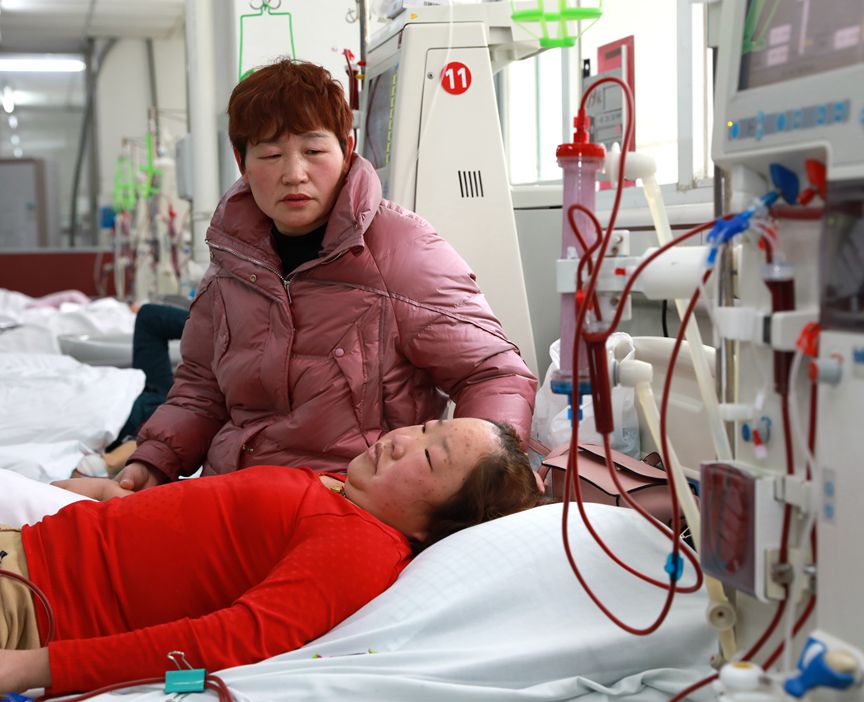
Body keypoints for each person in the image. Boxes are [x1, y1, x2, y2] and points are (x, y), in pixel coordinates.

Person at [84, 58, 536, 495]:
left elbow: (493, 374)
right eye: (270, 154)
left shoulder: (401, 251)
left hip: (351, 503)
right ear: (242, 163)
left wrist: (478, 486)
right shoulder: (231, 264)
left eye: (314, 151)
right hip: (233, 500)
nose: (294, 174)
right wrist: (154, 460)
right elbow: (201, 390)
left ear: (347, 149)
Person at [0, 418, 540, 696]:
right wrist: (108, 500)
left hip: (30, 603)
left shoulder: (361, 547)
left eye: (429, 456)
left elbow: (229, 643)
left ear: (437, 525)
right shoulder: (343, 492)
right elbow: (203, 534)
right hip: (28, 548)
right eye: (424, 427)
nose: (401, 439)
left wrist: (31, 668)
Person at [73, 302, 189, 478]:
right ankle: (226, 330)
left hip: (142, 396)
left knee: (148, 316)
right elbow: (90, 470)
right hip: (154, 414)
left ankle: (224, 329)